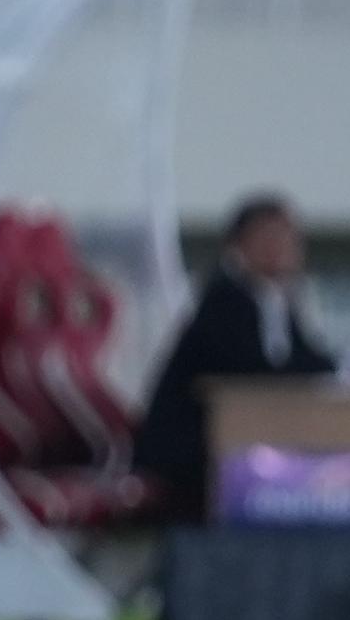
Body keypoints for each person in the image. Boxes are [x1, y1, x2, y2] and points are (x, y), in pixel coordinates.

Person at [133, 193, 337, 520]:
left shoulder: (279, 299)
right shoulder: (224, 300)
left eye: (290, 238)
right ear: (239, 244)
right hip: (190, 453)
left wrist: (348, 367)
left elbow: (305, 359)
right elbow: (254, 372)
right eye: (272, 236)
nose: (285, 248)